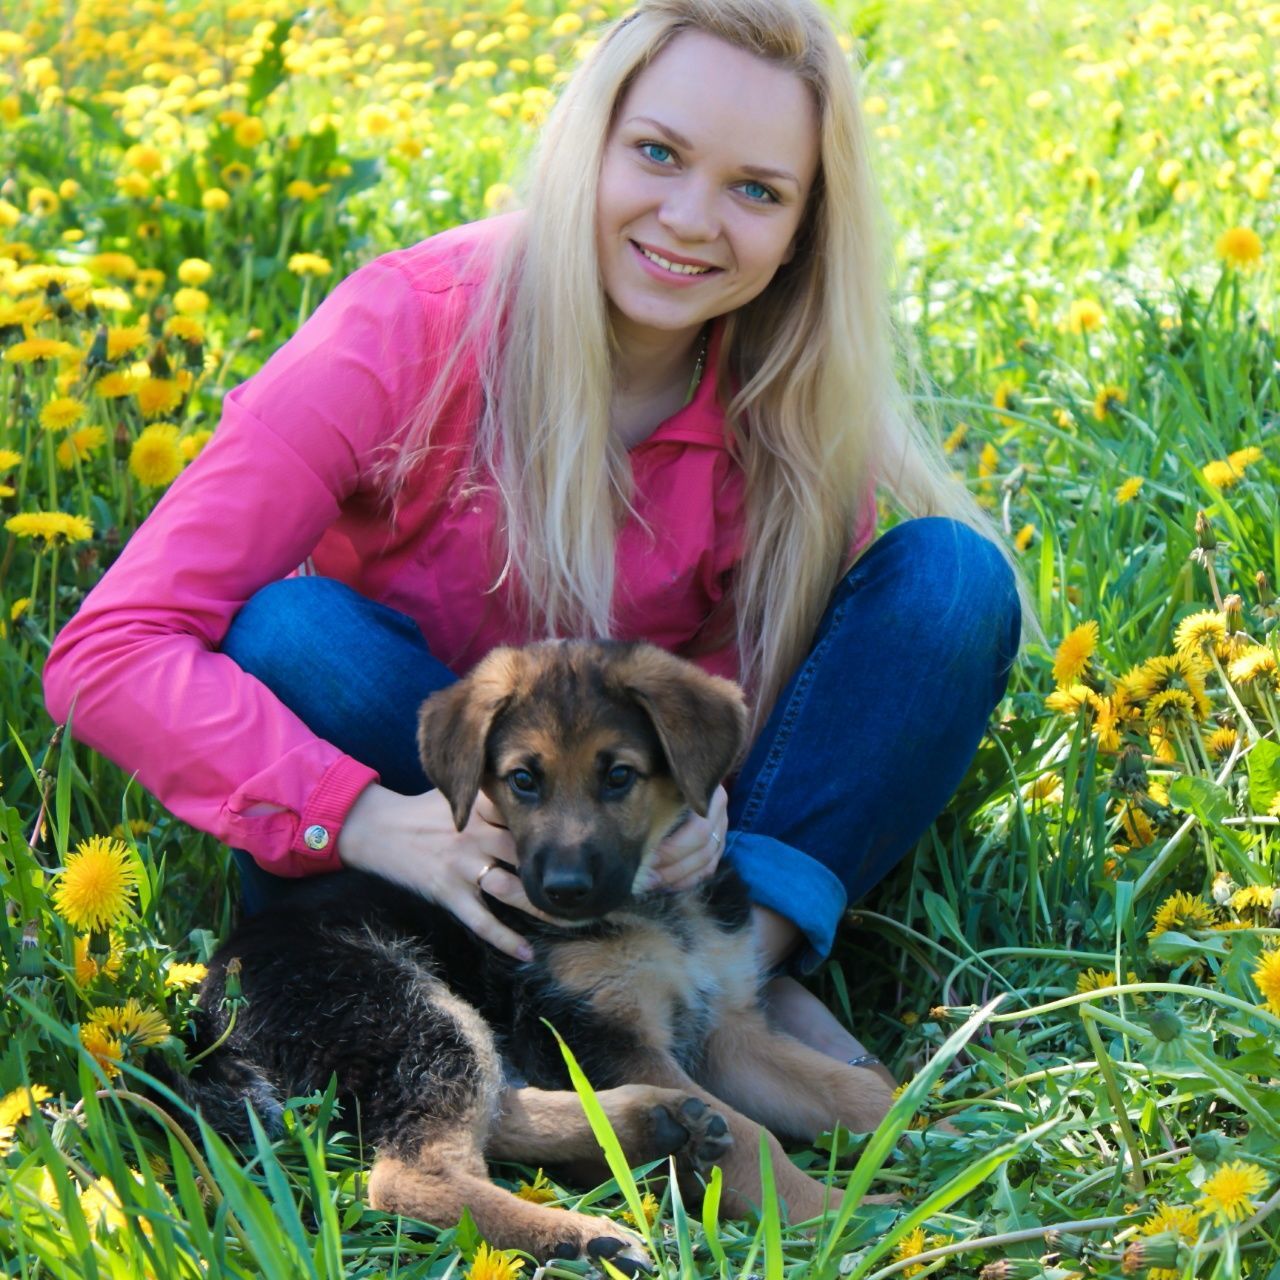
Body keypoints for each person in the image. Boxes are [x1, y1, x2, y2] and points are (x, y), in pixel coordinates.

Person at [44, 0, 1021, 1075]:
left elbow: (782, 701)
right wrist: (362, 817)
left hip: (637, 825)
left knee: (950, 586)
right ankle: (604, 990)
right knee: (292, 632)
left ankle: (732, 971)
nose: (691, 219)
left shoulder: (789, 404)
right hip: (422, 794)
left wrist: (704, 817)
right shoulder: (406, 323)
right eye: (656, 152)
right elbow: (109, 648)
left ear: (801, 231)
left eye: (756, 189)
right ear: (586, 146)